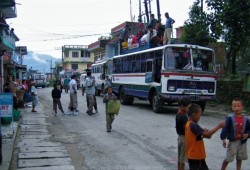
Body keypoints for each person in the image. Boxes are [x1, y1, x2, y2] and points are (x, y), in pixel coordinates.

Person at [185, 103, 225, 170]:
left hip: (193, 155)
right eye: (199, 115)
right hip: (196, 155)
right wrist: (219, 126)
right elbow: (208, 135)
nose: (200, 117)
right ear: (194, 115)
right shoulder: (193, 125)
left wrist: (202, 130)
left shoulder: (189, 123)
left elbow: (195, 136)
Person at [220, 98, 250, 170]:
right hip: (233, 141)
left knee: (240, 157)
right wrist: (223, 139)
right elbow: (225, 129)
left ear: (242, 107)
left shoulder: (246, 119)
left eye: (238, 106)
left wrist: (248, 134)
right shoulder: (230, 118)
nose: (236, 108)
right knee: (228, 158)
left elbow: (249, 129)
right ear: (232, 107)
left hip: (242, 142)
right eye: (234, 106)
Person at [175, 97, 192, 170]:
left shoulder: (179, 113)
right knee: (183, 160)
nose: (188, 109)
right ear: (182, 106)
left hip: (180, 137)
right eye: (187, 107)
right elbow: (187, 128)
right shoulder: (183, 116)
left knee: (180, 158)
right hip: (184, 138)